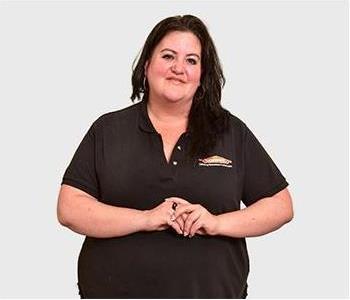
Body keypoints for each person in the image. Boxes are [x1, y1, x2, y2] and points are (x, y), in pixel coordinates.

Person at [57, 14, 294, 299]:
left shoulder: (231, 131)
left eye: (191, 60)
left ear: (202, 75)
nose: (178, 68)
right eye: (168, 56)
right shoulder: (108, 130)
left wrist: (215, 223)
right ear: (147, 65)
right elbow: (69, 208)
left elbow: (280, 205)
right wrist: (146, 218)